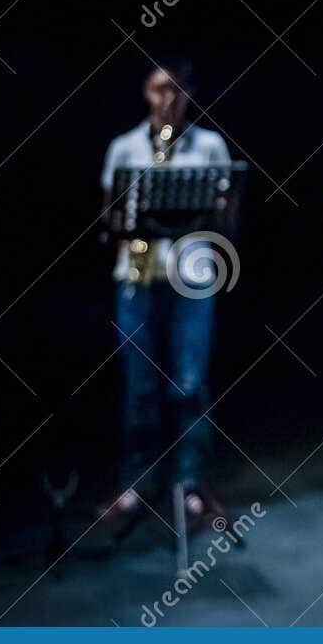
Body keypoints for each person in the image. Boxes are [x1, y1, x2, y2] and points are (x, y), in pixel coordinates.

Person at [96, 60, 232, 539]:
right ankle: (136, 483)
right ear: (145, 93)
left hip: (193, 277)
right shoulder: (124, 148)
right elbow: (109, 219)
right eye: (158, 90)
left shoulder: (210, 145)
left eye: (176, 91)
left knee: (190, 385)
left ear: (189, 95)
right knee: (139, 386)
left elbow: (227, 218)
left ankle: (191, 485)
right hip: (137, 276)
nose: (167, 100)